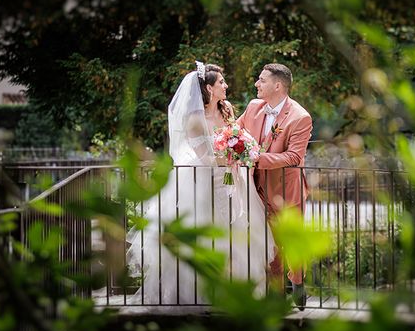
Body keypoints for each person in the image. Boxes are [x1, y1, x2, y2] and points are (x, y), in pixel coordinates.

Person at [126, 62, 274, 305]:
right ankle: (203, 294)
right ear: (208, 88)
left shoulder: (226, 109)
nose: (226, 86)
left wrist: (241, 150)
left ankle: (236, 292)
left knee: (235, 234)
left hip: (231, 181)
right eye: (221, 83)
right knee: (208, 234)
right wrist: (232, 156)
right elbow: (205, 157)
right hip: (203, 182)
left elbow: (236, 136)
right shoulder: (194, 120)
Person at [236, 63, 312, 309]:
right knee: (271, 247)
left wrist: (257, 158)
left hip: (287, 192)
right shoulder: (253, 107)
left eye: (261, 80)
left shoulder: (300, 117)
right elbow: (234, 133)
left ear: (277, 85)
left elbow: (294, 157)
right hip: (258, 189)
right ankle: (278, 298)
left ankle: (298, 282)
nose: (257, 84)